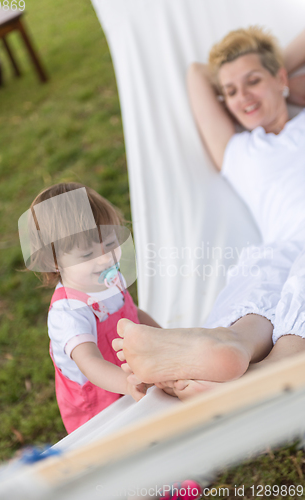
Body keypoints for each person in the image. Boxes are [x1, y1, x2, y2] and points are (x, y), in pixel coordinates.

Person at [113, 26, 305, 400]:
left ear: (280, 75)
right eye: (230, 91)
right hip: (283, 245)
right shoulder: (238, 150)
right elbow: (197, 73)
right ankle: (232, 345)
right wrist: (257, 77)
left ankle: (276, 365)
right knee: (262, 282)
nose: (243, 97)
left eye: (253, 82)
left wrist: (284, 81)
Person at [23, 183, 159, 433]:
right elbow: (89, 362)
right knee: (121, 446)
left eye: (109, 243)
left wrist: (165, 337)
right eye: (87, 254)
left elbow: (133, 314)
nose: (105, 258)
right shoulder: (68, 313)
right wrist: (128, 384)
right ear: (54, 262)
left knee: (154, 421)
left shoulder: (108, 278)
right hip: (99, 401)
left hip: (132, 376)